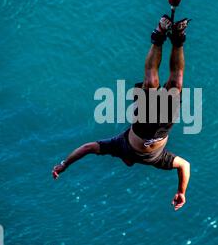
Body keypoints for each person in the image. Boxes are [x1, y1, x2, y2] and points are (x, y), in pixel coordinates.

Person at [52, 15, 191, 210]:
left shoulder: (118, 147)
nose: (128, 164)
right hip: (164, 127)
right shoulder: (158, 161)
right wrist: (181, 191)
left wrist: (65, 164)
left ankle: (159, 34)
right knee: (176, 84)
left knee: (151, 82)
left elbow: (88, 148)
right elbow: (185, 166)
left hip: (142, 124)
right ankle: (178, 39)